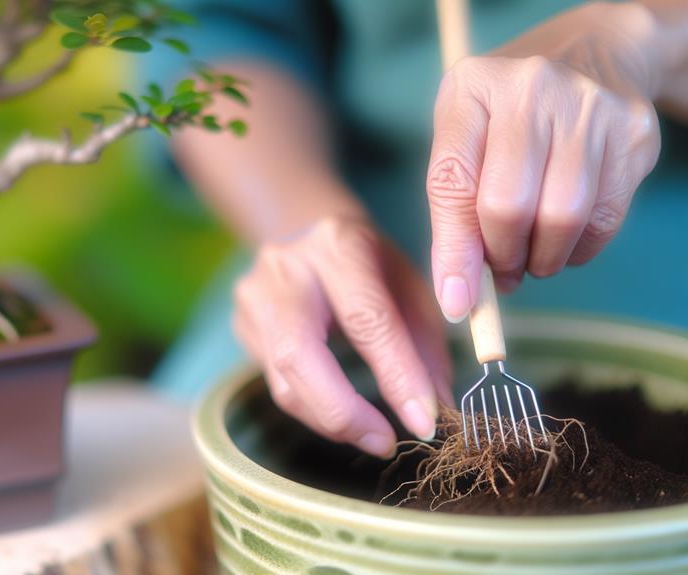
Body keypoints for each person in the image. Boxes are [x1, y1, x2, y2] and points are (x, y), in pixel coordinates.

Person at [146, 0, 688, 458]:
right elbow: (218, 34)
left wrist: (641, 36)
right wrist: (306, 220)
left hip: (660, 237)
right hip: (356, 211)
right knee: (194, 460)